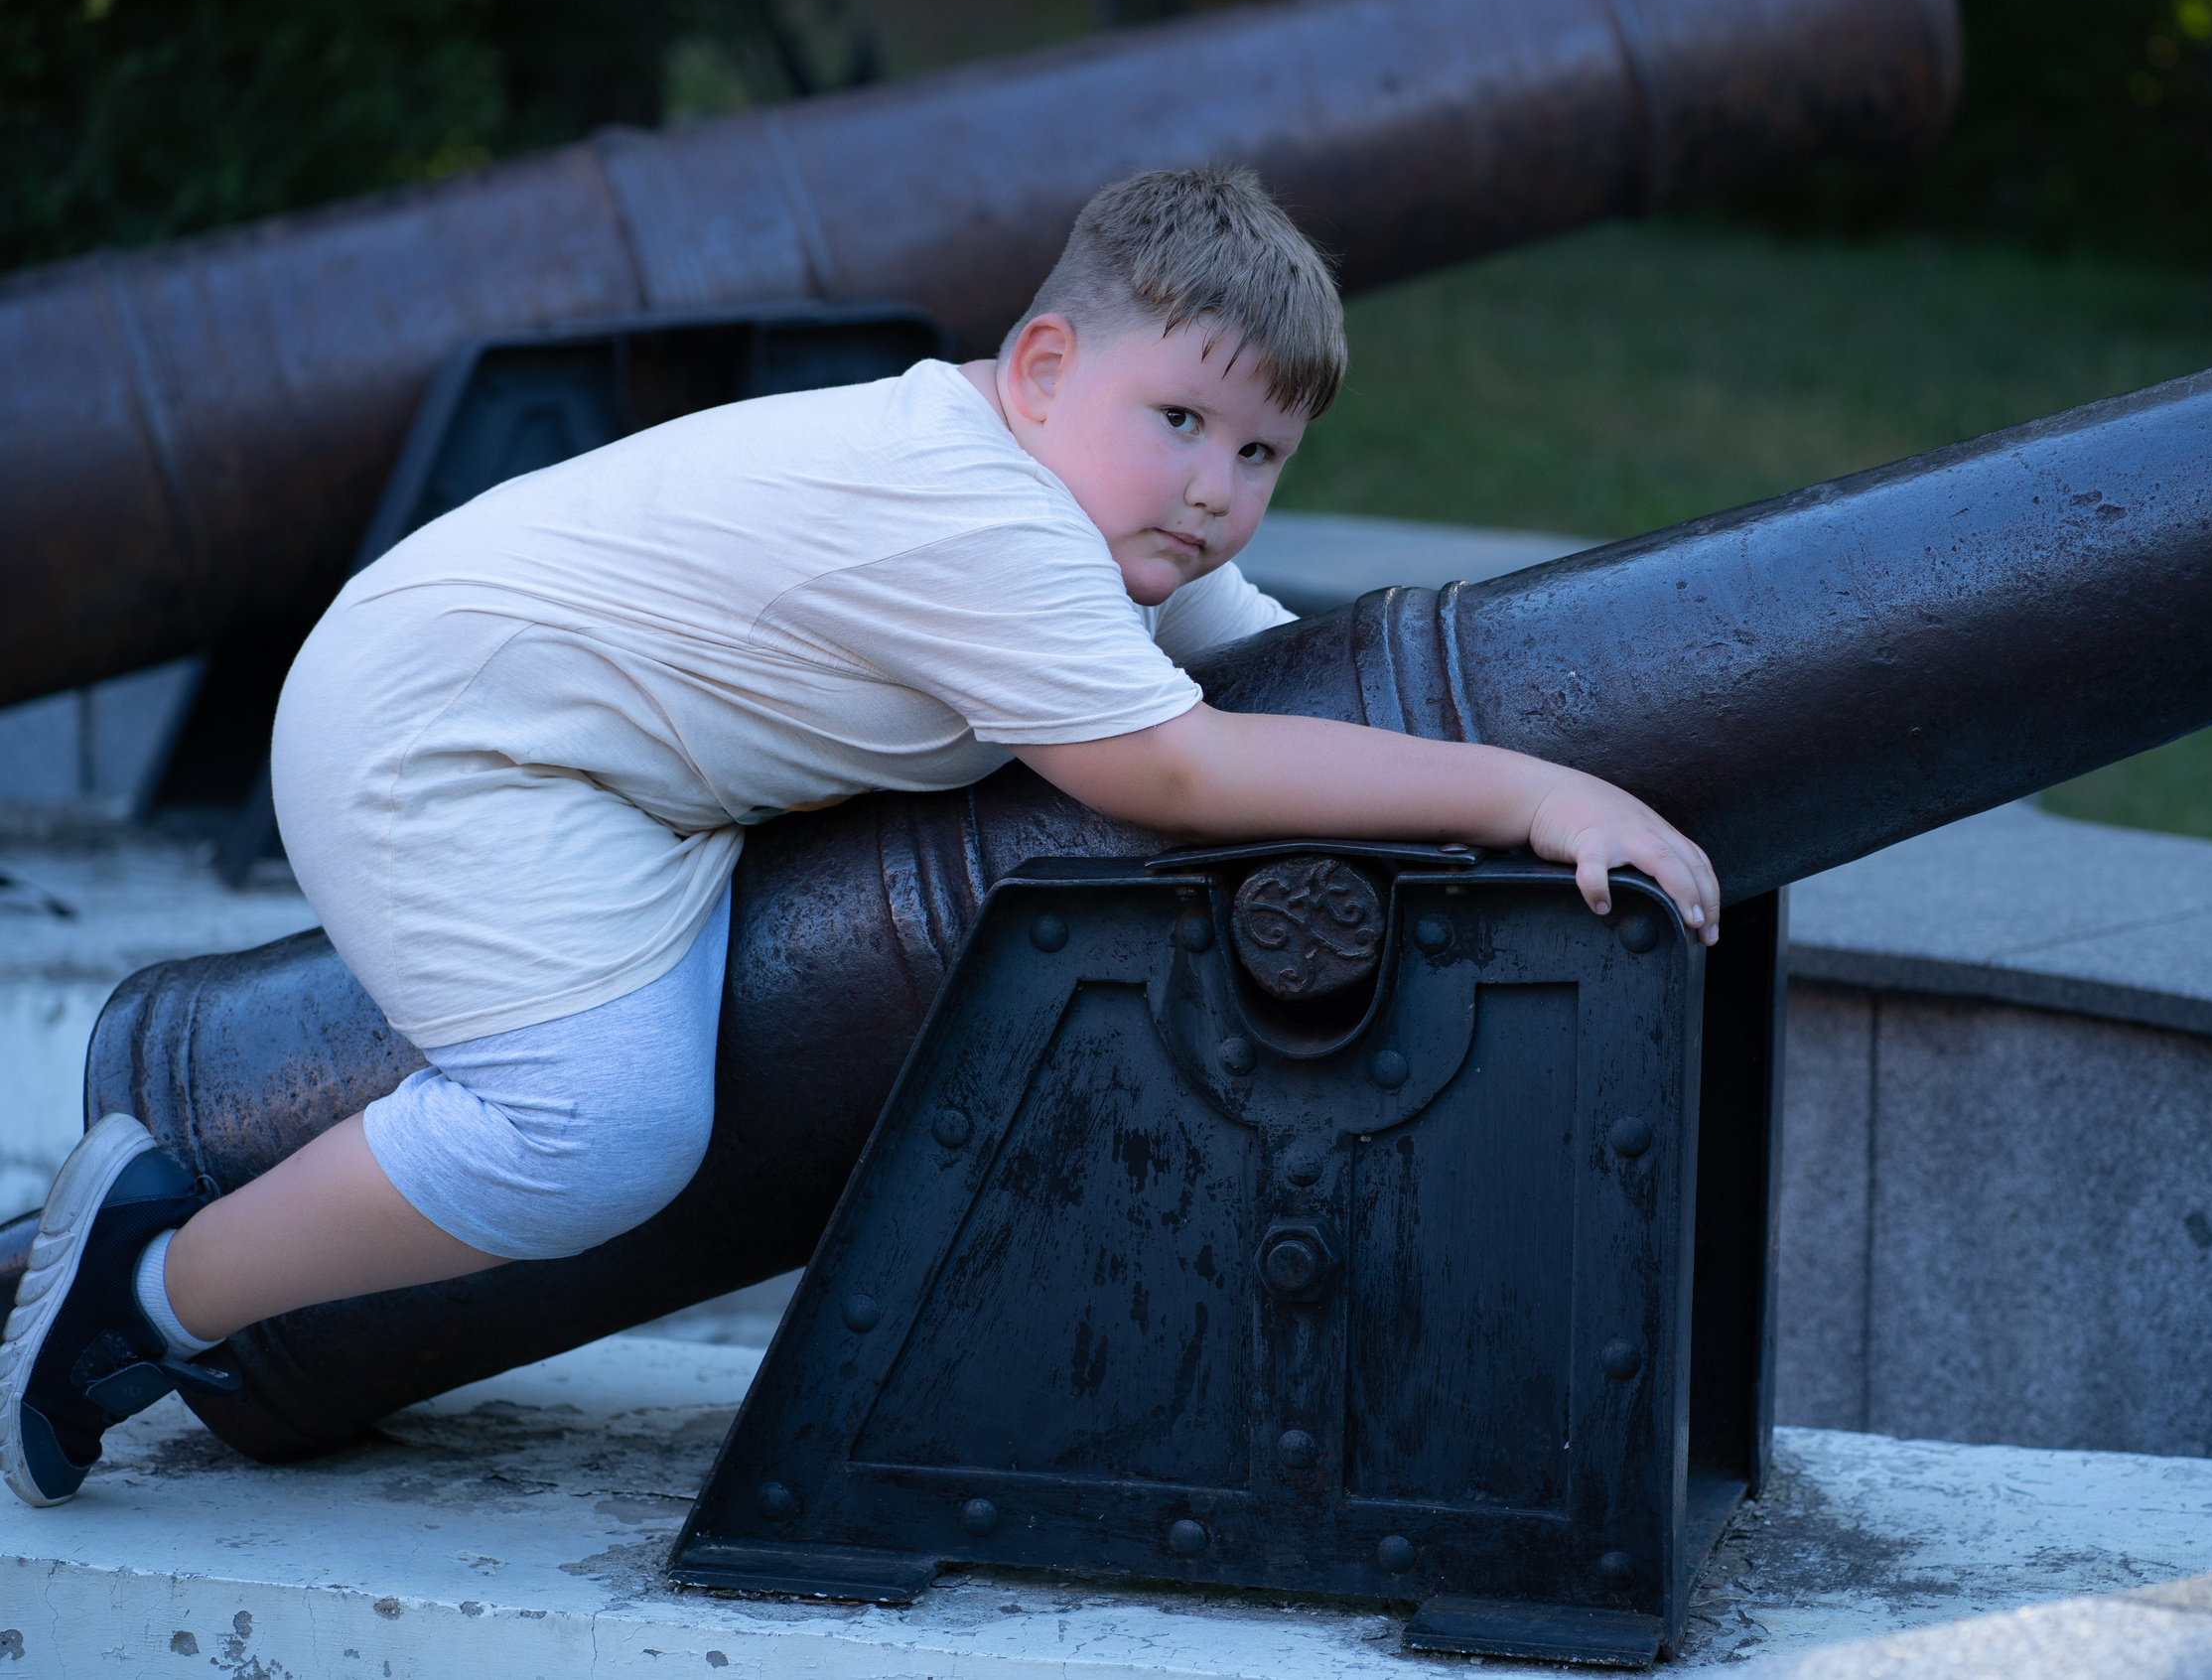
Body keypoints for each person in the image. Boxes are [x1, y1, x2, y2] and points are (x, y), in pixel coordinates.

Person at [0, 166, 1718, 1508]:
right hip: (446, 735)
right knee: (600, 1130)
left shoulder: (1046, 486)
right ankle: (148, 1282)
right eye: (1178, 423)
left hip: (607, 769)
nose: (1214, 488)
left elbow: (1270, 678)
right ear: (1040, 369)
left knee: (647, 1098)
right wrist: (1530, 794)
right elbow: (1179, 774)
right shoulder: (985, 521)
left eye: (1262, 451)